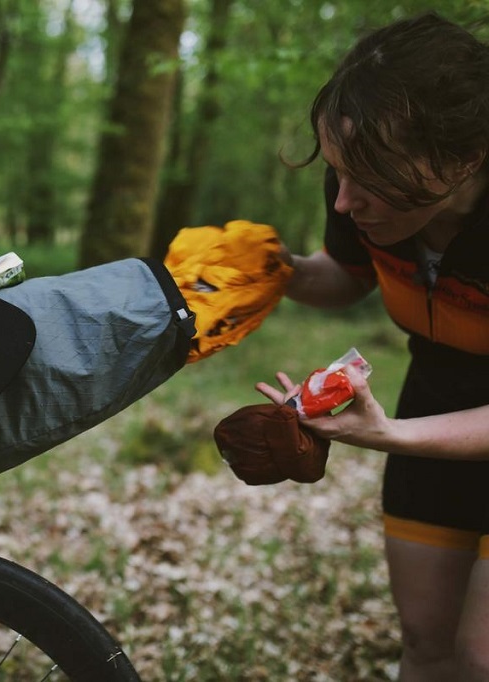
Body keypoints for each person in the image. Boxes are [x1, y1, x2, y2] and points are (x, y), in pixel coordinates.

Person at [252, 12, 489, 681]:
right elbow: (347, 275)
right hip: (435, 391)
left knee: (482, 656)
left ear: (464, 159)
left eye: (370, 178)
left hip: (438, 424)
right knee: (426, 643)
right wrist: (275, 268)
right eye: (337, 171)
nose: (346, 200)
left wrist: (390, 435)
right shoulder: (357, 187)